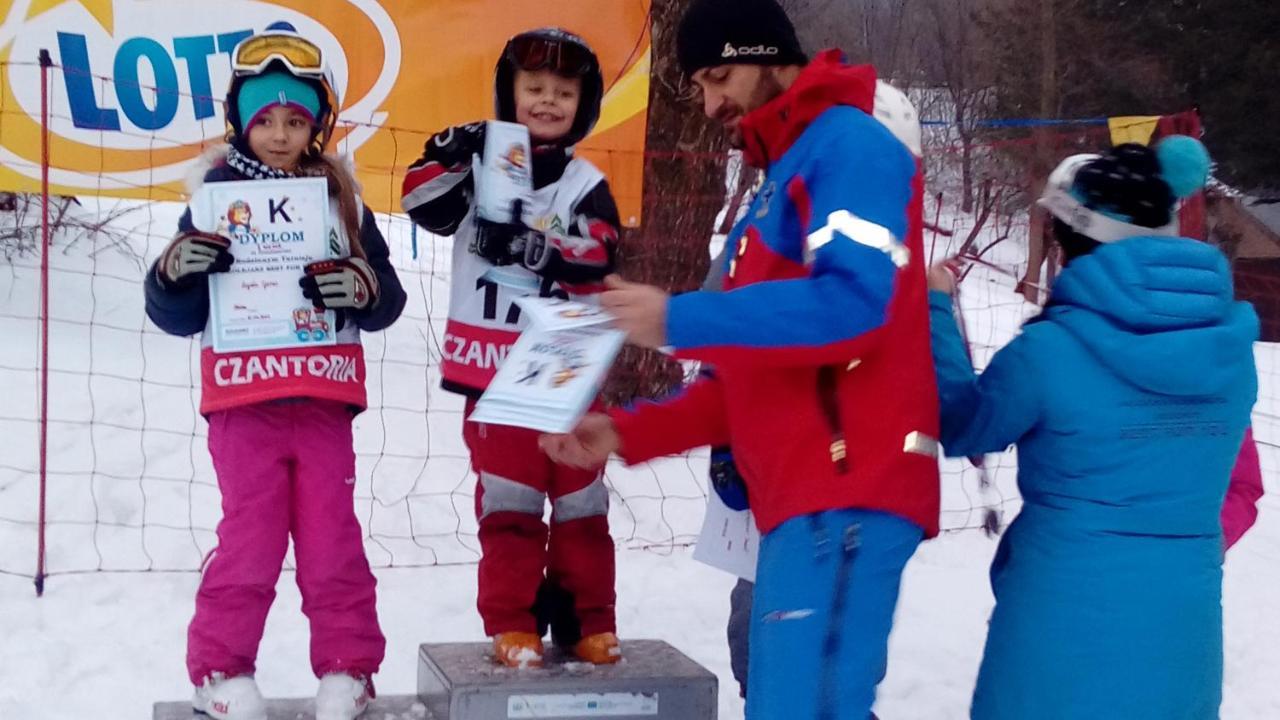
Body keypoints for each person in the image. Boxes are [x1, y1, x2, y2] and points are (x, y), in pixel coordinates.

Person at [541, 1, 940, 717]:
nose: (711, 101)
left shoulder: (849, 146)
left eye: (721, 76)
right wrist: (628, 432)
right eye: (699, 85)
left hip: (848, 486)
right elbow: (752, 372)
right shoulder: (778, 179)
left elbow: (855, 306)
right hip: (800, 497)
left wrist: (677, 316)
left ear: (771, 57)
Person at [927, 137, 1257, 719]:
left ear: (1076, 244)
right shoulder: (1228, 352)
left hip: (1060, 614)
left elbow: (959, 425)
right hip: (1182, 623)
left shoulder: (1051, 351)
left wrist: (934, 310)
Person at [144, 23, 406, 720]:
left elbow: (387, 299)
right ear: (240, 122)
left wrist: (363, 289)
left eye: (297, 119)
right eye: (267, 120)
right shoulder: (211, 202)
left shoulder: (340, 200)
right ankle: (222, 670)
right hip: (243, 400)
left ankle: (349, 669)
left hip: (322, 396)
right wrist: (175, 273)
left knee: (332, 539)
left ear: (317, 124)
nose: (283, 134)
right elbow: (176, 314)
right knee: (250, 539)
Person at [400, 27, 623, 668]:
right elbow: (423, 205)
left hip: (564, 366)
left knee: (582, 502)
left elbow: (601, 249)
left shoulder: (584, 182)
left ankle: (590, 619)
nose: (548, 101)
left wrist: (537, 248)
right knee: (510, 503)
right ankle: (512, 622)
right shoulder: (477, 169)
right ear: (510, 93)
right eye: (534, 89)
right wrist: (451, 149)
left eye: (563, 92)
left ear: (584, 104)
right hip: (493, 373)